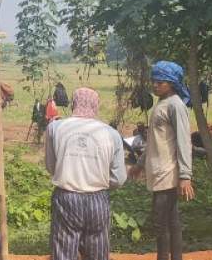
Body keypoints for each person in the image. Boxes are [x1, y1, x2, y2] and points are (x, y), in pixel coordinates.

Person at [45, 87, 127, 260]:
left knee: (63, 252)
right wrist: (99, 181)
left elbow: (52, 167)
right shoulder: (112, 134)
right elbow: (119, 178)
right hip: (98, 200)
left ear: (73, 104)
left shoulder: (55, 128)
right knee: (97, 252)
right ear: (96, 106)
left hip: (66, 198)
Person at [131, 61, 194, 260]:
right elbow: (153, 141)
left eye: (161, 81)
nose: (155, 85)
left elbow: (184, 142)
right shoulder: (162, 104)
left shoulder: (176, 105)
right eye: (154, 81)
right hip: (159, 171)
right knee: (171, 220)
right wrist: (140, 164)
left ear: (172, 83)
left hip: (168, 172)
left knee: (161, 222)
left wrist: (185, 175)